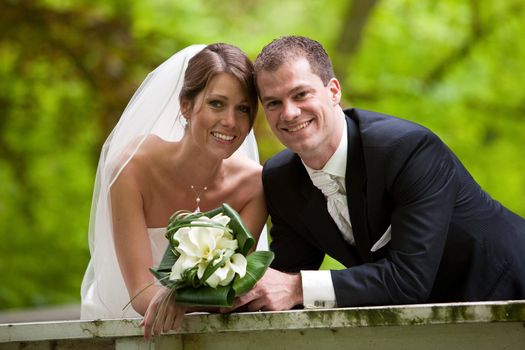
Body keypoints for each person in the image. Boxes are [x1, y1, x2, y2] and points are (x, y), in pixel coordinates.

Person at [232, 35, 525, 312]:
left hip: (509, 288)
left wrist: (298, 287)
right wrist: (210, 292)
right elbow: (281, 282)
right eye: (273, 103)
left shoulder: (406, 150)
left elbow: (409, 279)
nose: (290, 113)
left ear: (333, 91)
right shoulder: (280, 178)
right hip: (431, 324)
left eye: (301, 94)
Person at [80, 43, 268, 334]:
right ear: (185, 106)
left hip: (215, 331)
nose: (230, 121)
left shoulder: (254, 185)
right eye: (216, 103)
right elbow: (141, 294)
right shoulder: (131, 168)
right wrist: (187, 300)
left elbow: (234, 290)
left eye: (243, 109)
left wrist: (181, 300)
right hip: (131, 326)